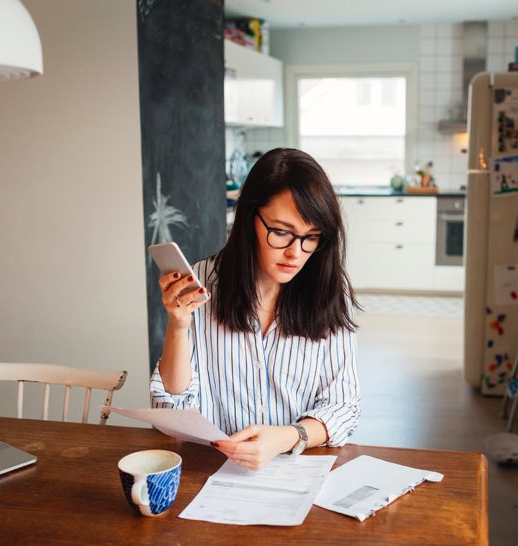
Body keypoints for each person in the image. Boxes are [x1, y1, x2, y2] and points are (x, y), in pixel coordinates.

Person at [150, 147, 360, 470]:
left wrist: (287, 437)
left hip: (299, 470)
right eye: (281, 232)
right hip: (215, 473)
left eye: (311, 237)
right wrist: (177, 326)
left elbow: (343, 405)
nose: (296, 252)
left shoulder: (330, 291)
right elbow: (170, 412)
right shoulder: (205, 282)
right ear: (250, 218)